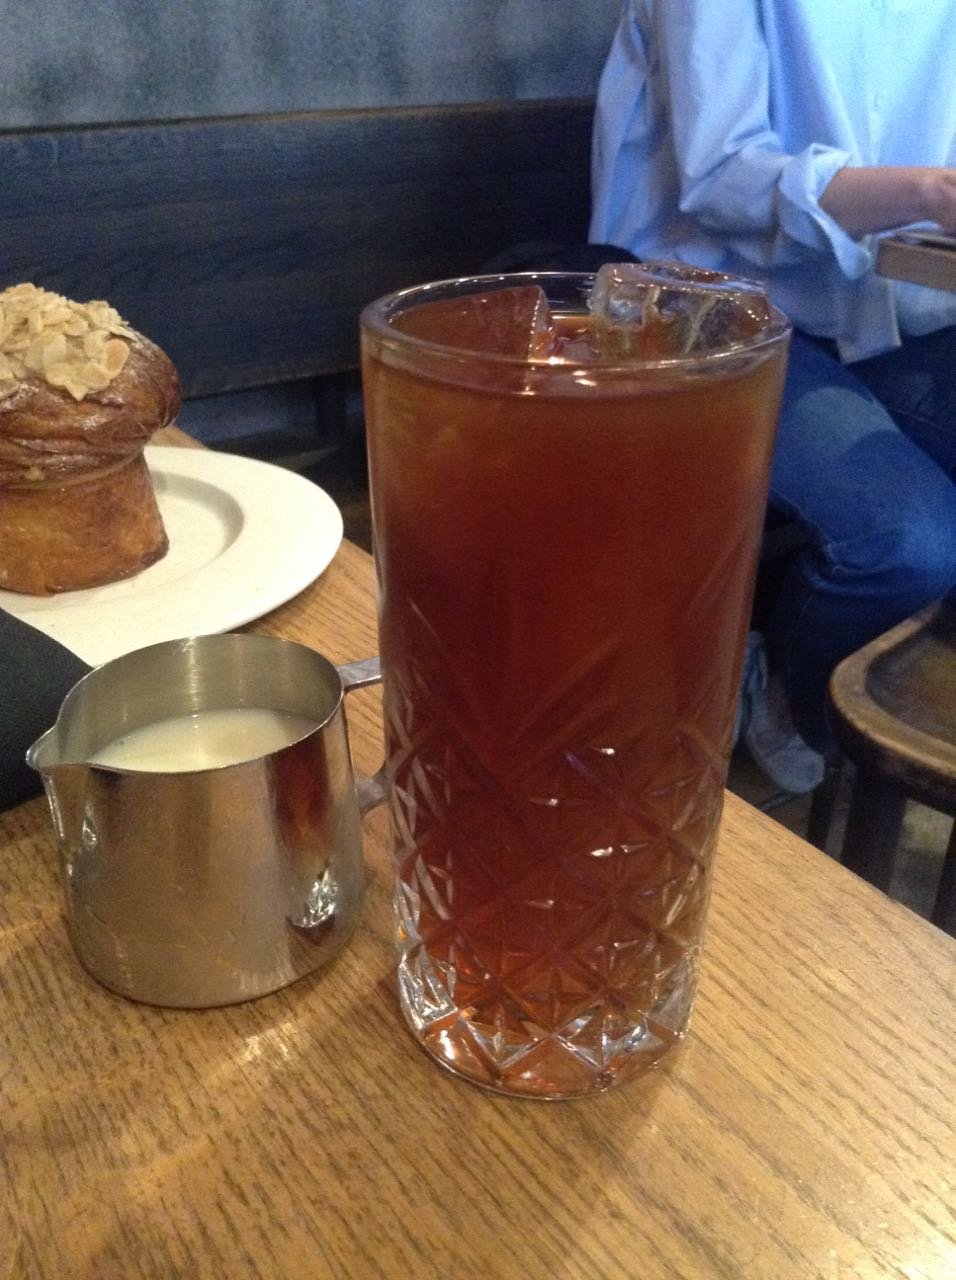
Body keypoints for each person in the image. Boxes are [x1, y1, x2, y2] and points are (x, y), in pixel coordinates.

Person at [589, 0, 956, 793]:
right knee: (907, 545)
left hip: (895, 310)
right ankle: (790, 692)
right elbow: (721, 176)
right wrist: (929, 191)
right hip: (715, 310)